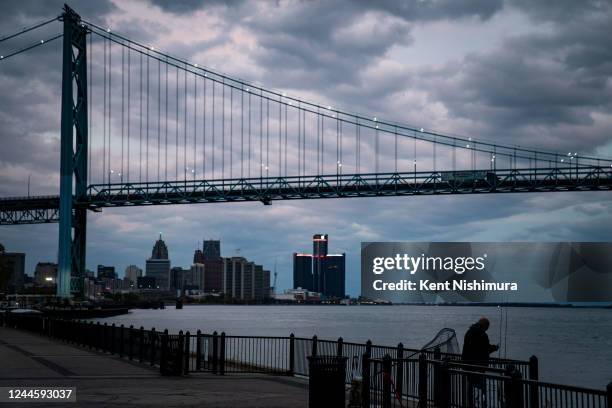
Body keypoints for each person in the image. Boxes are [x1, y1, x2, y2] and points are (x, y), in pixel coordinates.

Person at [462, 317, 499, 406]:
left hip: (468, 364)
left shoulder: (469, 331)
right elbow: (485, 348)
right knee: (480, 387)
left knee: (471, 385)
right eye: (487, 327)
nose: (487, 329)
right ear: (484, 325)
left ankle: (470, 403)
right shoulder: (482, 334)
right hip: (478, 365)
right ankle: (481, 404)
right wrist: (495, 348)